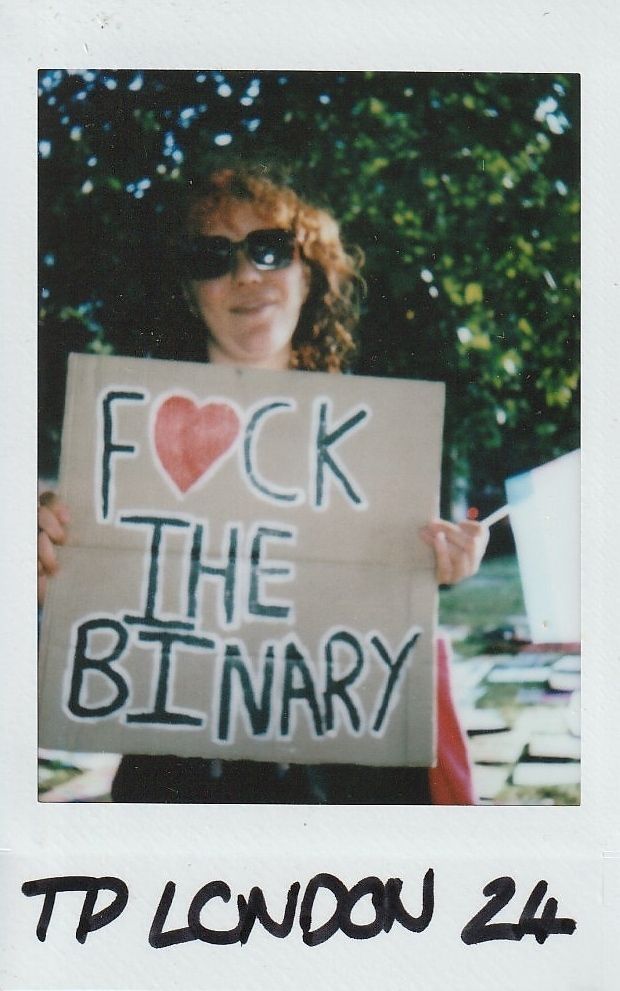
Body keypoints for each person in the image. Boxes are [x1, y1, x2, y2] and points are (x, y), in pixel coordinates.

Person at [38, 165, 488, 804]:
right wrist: (49, 557)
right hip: (186, 782)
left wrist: (435, 565)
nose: (246, 274)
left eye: (271, 249)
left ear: (308, 275)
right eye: (211, 257)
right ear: (189, 291)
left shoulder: (371, 443)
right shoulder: (126, 446)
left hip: (353, 781)